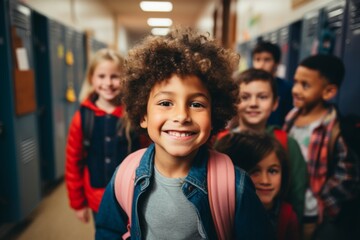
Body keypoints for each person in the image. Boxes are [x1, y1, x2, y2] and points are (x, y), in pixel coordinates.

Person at [95, 27, 274, 239]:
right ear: (143, 115)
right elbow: (109, 231)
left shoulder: (235, 186)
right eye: (165, 102)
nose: (181, 116)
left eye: (197, 104)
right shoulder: (125, 175)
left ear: (214, 114)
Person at [215, 68, 307, 223]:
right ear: (234, 102)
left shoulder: (286, 142)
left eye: (262, 97)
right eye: (244, 97)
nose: (253, 104)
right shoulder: (223, 141)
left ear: (275, 103)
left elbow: (297, 193)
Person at [283, 54, 359, 240]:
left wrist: (322, 206)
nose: (296, 89)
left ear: (328, 92)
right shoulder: (291, 117)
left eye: (305, 85)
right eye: (295, 82)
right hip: (292, 202)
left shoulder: (334, 129)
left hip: (318, 213)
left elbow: (346, 177)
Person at [65, 48, 141, 225]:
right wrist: (78, 204)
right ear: (91, 78)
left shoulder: (134, 114)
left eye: (115, 76)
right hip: (97, 199)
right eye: (101, 76)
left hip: (131, 196)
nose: (108, 83)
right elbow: (73, 162)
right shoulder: (82, 117)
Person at [215, 131, 300, 240]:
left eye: (273, 171)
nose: (265, 180)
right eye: (255, 172)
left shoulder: (287, 216)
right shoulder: (224, 216)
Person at [252, 41, 293, 126]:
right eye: (257, 59)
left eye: (267, 60)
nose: (261, 65)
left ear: (276, 63)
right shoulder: (246, 87)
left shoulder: (287, 89)